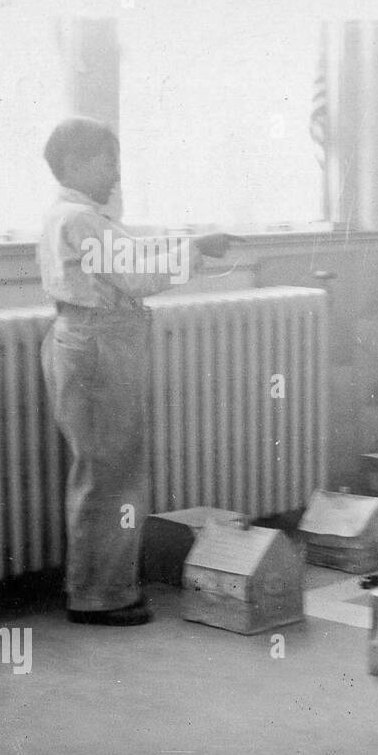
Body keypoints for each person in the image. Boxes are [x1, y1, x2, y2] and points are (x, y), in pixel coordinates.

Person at [39, 117, 238, 625]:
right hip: (99, 344)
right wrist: (192, 251)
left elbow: (128, 254)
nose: (116, 172)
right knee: (109, 473)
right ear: (75, 163)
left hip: (92, 340)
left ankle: (100, 589)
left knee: (106, 469)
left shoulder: (77, 216)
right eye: (108, 160)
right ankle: (100, 597)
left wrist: (193, 241)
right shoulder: (79, 219)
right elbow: (134, 275)